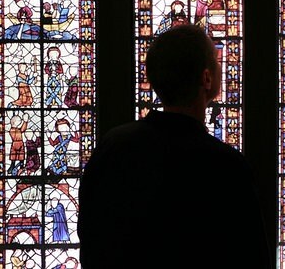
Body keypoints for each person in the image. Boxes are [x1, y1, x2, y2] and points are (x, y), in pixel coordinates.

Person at [77, 24, 272, 268]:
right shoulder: (225, 166)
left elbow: (90, 238)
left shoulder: (113, 149)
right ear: (207, 78)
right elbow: (251, 257)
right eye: (216, 61)